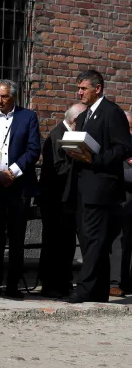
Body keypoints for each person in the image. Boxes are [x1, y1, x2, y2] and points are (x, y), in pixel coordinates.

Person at [63, 70, 132, 303]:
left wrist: (96, 159)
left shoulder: (112, 113)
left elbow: (123, 147)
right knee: (90, 239)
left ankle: (84, 288)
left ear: (98, 88)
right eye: (78, 88)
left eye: (83, 88)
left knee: (94, 240)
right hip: (83, 187)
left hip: (102, 188)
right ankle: (99, 290)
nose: (79, 92)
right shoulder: (83, 117)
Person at [0, 79, 41, 299]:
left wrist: (13, 172)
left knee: (16, 240)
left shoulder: (28, 117)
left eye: (4, 96)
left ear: (14, 96)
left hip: (18, 187)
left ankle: (13, 285)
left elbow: (33, 149)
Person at [37, 103, 86, 298]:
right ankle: (52, 284)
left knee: (65, 244)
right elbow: (58, 169)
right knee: (54, 243)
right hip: (56, 200)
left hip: (65, 200)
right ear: (75, 121)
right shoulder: (59, 136)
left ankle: (62, 282)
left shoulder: (66, 134)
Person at [107, 110, 132, 297]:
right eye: (128, 128)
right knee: (118, 242)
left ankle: (128, 281)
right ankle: (115, 282)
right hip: (120, 199)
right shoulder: (117, 144)